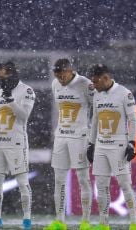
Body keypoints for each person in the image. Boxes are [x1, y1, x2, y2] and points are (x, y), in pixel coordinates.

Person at [0, 61, 35, 230]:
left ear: (12, 74)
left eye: (3, 78)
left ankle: (27, 220)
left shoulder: (26, 90)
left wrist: (11, 100)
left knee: (22, 181)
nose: (1, 82)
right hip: (0, 144)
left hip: (17, 144)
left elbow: (24, 116)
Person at [86, 64, 136, 230]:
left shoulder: (125, 93)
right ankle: (104, 224)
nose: (93, 85)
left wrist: (132, 143)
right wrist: (91, 143)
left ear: (106, 78)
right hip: (101, 145)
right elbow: (95, 120)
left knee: (125, 184)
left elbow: (134, 120)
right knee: (101, 185)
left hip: (119, 146)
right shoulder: (97, 94)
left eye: (96, 81)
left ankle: (134, 224)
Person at [45, 59, 93, 230]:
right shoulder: (55, 84)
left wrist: (92, 137)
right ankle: (60, 221)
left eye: (62, 74)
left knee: (83, 180)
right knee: (59, 180)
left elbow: (97, 109)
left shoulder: (86, 84)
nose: (60, 78)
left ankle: (85, 222)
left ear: (70, 70)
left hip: (79, 138)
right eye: (57, 75)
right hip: (61, 137)